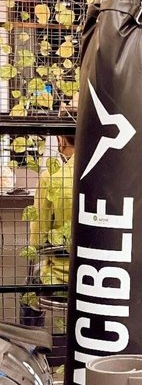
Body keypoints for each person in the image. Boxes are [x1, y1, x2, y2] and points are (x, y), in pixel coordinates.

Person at [20, 134, 75, 326]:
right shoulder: (108, 176)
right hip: (102, 277)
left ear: (61, 140)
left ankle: (29, 341)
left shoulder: (51, 177)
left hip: (61, 276)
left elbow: (37, 240)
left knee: (28, 289)